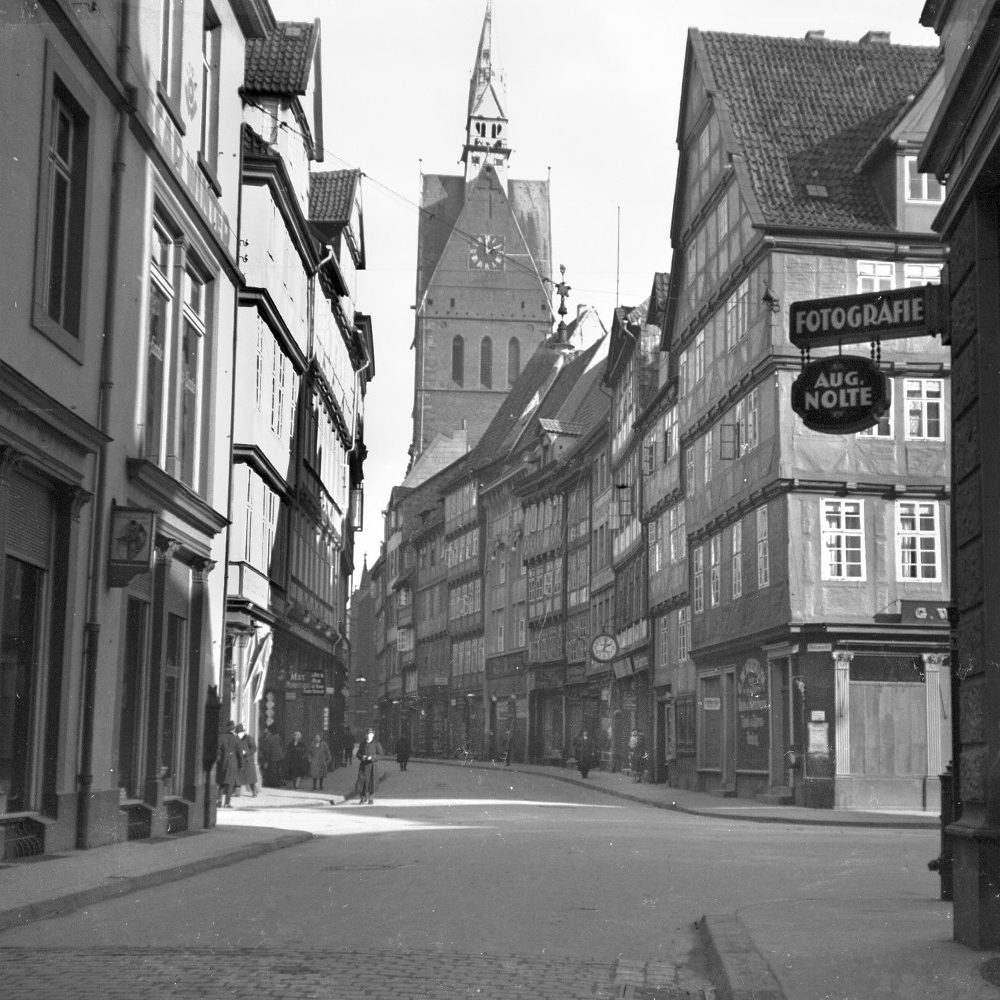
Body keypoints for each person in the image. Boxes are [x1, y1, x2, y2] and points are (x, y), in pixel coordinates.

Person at [216, 720, 243, 808]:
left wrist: (219, 760)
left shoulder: (221, 737)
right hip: (233, 763)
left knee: (221, 782)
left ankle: (219, 800)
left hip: (223, 762)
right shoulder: (236, 738)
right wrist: (241, 764)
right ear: (234, 728)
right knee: (230, 783)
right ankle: (227, 802)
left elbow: (218, 750)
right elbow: (239, 753)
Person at [354, 728, 382, 804]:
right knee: (362, 781)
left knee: (372, 782)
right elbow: (358, 754)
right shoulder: (362, 744)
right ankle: (362, 798)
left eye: (370, 734)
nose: (368, 736)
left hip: (372, 766)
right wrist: (362, 757)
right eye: (367, 734)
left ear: (373, 735)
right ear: (365, 735)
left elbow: (380, 755)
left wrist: (372, 758)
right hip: (363, 765)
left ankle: (371, 797)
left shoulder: (376, 744)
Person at [236, 724, 258, 797]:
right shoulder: (236, 739)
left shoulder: (249, 738)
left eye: (239, 733)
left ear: (242, 732)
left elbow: (254, 748)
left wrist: (246, 752)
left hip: (248, 761)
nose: (238, 734)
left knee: (251, 779)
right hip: (240, 760)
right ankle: (238, 792)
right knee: (238, 777)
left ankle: (254, 792)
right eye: (237, 733)